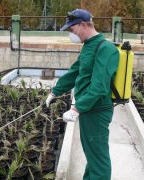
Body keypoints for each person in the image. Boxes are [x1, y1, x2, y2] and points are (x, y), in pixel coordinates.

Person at [45, 9, 119, 180]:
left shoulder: (106, 49)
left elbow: (99, 86)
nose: (71, 34)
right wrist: (55, 91)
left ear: (84, 25)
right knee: (91, 152)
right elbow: (76, 71)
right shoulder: (88, 45)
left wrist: (76, 108)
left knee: (98, 158)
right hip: (89, 109)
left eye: (72, 29)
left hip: (97, 111)